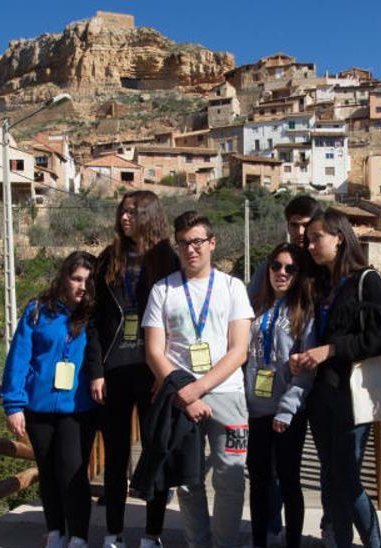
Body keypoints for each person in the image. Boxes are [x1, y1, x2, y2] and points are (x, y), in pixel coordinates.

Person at [143, 211, 254, 548]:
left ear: (212, 243)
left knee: (231, 478)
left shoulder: (233, 287)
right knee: (187, 480)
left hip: (227, 394)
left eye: (197, 242)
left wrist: (199, 389)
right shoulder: (163, 289)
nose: (190, 249)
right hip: (179, 398)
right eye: (183, 243)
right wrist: (186, 395)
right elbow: (154, 352)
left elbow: (239, 351)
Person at [289, 209, 381, 548]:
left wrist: (331, 350)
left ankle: (373, 543)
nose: (310, 245)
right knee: (331, 477)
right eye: (307, 240)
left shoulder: (367, 280)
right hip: (322, 394)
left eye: (317, 237)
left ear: (339, 237)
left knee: (348, 478)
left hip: (351, 394)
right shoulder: (319, 283)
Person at [84, 191, 178, 548]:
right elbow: (93, 320)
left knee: (156, 451)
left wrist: (168, 373)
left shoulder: (168, 259)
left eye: (133, 212)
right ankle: (113, 533)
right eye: (122, 211)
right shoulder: (109, 258)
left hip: (154, 371)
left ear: (150, 215)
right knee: (116, 456)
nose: (124, 218)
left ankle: (152, 534)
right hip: (114, 371)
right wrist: (96, 371)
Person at [3, 251, 101, 548]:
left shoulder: (95, 317)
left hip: (78, 408)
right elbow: (19, 359)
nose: (82, 286)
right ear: (64, 278)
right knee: (47, 472)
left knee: (73, 471)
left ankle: (79, 536)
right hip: (39, 408)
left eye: (88, 280)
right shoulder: (37, 311)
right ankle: (56, 531)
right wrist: (13, 404)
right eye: (76, 278)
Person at [245, 244, 315, 548]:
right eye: (276, 266)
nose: (281, 273)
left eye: (289, 268)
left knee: (288, 482)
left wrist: (287, 409)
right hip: (255, 410)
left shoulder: (304, 311)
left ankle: (293, 544)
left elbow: (307, 369)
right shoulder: (255, 306)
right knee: (259, 483)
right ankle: (259, 541)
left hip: (287, 412)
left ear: (299, 274)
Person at [248, 195, 323, 301]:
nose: (300, 232)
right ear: (287, 227)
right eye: (294, 225)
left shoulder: (324, 266)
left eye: (306, 225)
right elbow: (249, 308)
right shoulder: (269, 268)